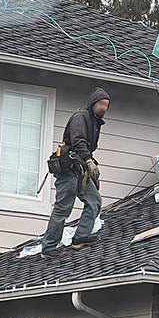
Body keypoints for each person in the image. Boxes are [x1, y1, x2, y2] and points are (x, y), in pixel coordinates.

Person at [41, 87, 110, 259]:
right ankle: (48, 247)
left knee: (94, 201)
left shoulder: (95, 122)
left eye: (106, 105)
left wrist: (90, 164)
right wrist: (88, 161)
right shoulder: (81, 117)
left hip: (80, 169)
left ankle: (80, 238)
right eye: (101, 104)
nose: (104, 108)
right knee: (63, 207)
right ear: (93, 103)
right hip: (68, 169)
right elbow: (78, 141)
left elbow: (88, 147)